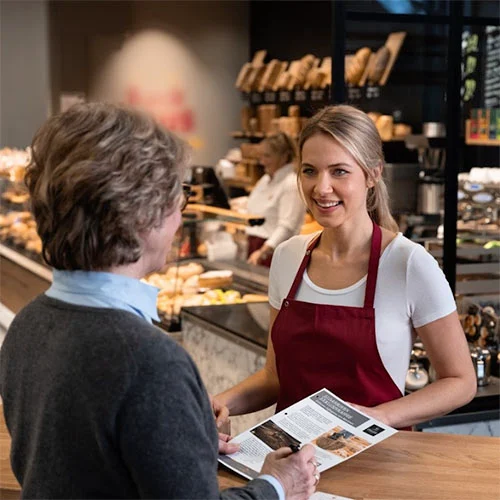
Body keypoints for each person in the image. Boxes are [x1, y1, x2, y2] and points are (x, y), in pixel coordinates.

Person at [0, 103, 319, 499]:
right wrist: (277, 485)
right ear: (140, 215)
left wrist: (181, 446)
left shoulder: (28, 325)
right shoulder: (150, 361)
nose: (180, 217)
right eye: (176, 197)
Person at [213, 105, 476, 431]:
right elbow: (274, 376)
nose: (321, 188)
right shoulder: (287, 257)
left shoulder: (408, 264)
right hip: (290, 465)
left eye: (339, 171)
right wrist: (222, 402)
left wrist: (380, 417)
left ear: (373, 173)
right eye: (309, 171)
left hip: (379, 465)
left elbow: (461, 381)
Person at [246, 132, 305, 267]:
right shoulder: (265, 179)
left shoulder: (290, 184)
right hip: (255, 246)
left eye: (267, 156)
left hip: (274, 251)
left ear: (284, 157)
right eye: (261, 156)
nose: (262, 161)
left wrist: (263, 251)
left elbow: (287, 227)